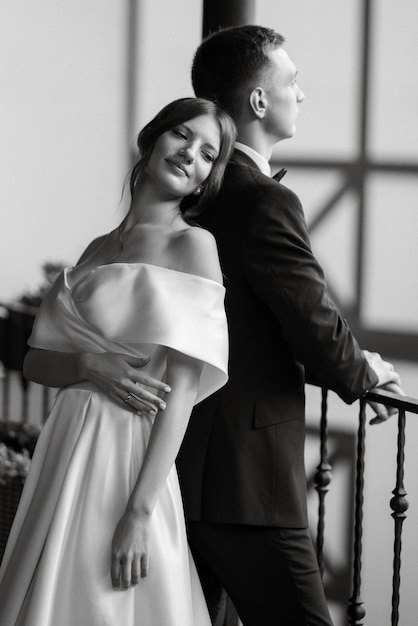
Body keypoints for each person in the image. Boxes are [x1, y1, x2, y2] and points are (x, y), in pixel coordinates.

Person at [175, 26, 405, 626]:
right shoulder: (261, 199)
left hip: (185, 461)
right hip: (246, 480)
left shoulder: (195, 194)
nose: (300, 95)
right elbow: (307, 315)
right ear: (257, 101)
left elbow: (248, 319)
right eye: (292, 82)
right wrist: (363, 373)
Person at [0, 97, 236, 626]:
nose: (189, 154)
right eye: (182, 135)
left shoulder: (194, 246)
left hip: (127, 457)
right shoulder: (97, 248)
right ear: (151, 138)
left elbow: (178, 398)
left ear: (204, 181)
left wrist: (139, 512)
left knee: (103, 603)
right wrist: (89, 363)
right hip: (63, 447)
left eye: (207, 154)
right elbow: (37, 363)